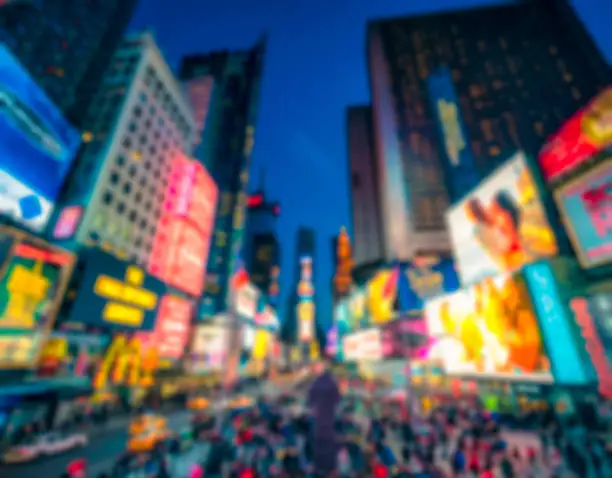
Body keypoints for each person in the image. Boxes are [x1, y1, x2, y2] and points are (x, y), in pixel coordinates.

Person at [307, 357, 341, 476]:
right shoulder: (330, 382)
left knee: (320, 445)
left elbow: (310, 401)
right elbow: (337, 399)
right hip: (327, 421)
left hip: (322, 422)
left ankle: (321, 468)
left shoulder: (317, 383)